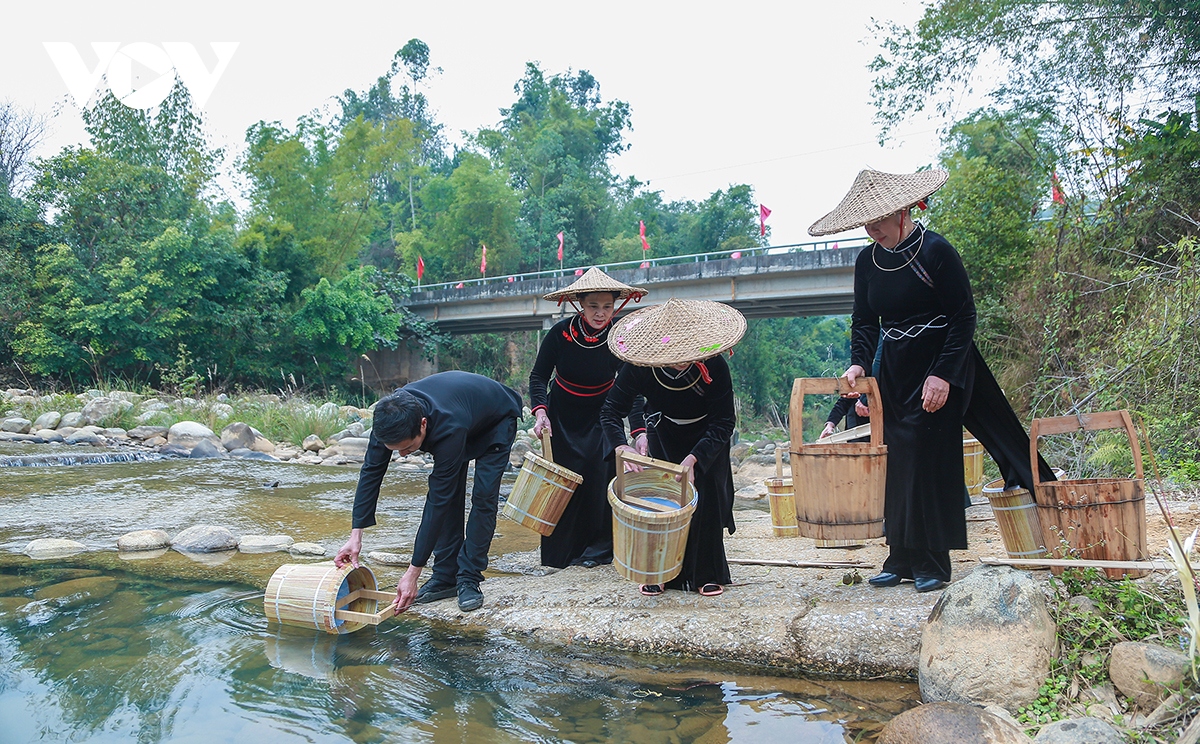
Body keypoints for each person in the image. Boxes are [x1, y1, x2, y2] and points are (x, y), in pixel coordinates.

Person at [808, 168, 1056, 593]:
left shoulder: (936, 251)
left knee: (931, 455)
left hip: (942, 362)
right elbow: (866, 321)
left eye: (879, 221)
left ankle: (934, 562)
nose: (873, 231)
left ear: (902, 212)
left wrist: (943, 374)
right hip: (896, 368)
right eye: (866, 224)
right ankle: (900, 556)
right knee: (900, 459)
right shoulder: (868, 261)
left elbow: (964, 317)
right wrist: (858, 365)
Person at [335, 371, 522, 613]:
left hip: (495, 418)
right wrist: (355, 535)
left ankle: (469, 578)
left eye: (409, 447)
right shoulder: (389, 420)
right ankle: (445, 577)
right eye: (396, 450)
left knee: (483, 496)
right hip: (463, 411)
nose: (403, 455)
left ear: (423, 425)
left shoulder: (448, 425)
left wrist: (413, 572)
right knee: (451, 493)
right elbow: (371, 473)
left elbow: (437, 501)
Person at [600, 298, 746, 597]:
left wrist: (694, 459)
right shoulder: (640, 367)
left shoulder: (715, 364)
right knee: (665, 502)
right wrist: (621, 446)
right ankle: (659, 570)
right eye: (674, 352)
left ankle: (707, 571)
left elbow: (724, 421)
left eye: (687, 351)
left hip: (707, 436)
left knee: (706, 501)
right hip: (663, 432)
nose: (681, 359)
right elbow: (610, 412)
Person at [531, 268, 648, 569]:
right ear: (580, 304)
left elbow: (631, 388)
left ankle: (598, 551)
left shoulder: (621, 337)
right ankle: (561, 554)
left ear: (615, 306)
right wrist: (541, 412)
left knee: (600, 479)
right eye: (594, 306)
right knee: (564, 483)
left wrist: (638, 431)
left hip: (603, 414)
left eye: (607, 307)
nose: (601, 313)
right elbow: (538, 376)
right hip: (562, 415)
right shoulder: (560, 333)